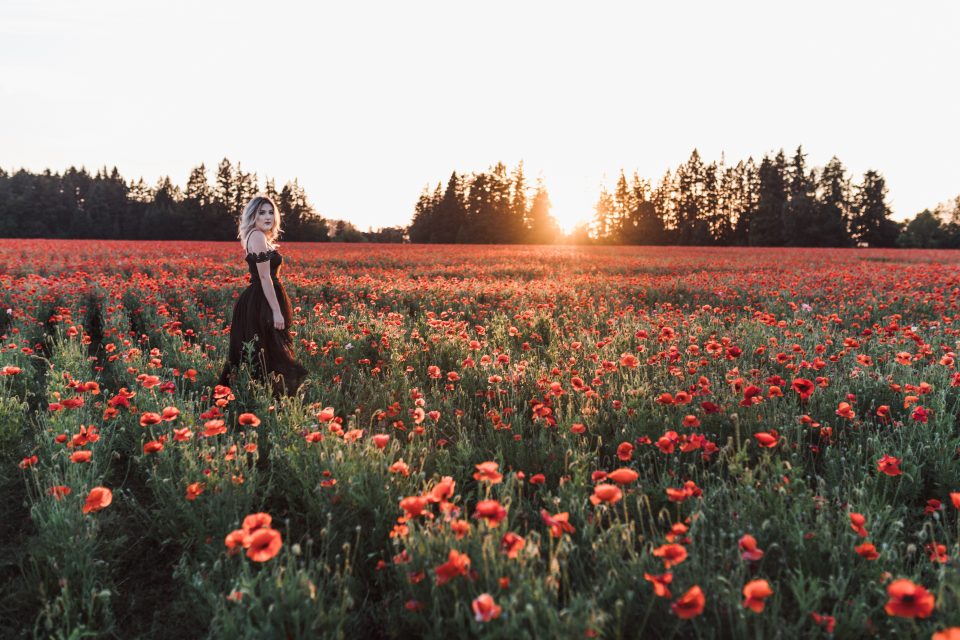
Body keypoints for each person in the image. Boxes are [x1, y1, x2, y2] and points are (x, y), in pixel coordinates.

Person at [218, 195, 308, 398]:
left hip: (262, 298)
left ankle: (265, 397)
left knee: (265, 351)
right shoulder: (257, 236)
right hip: (262, 301)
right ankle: (274, 399)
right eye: (262, 212)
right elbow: (265, 277)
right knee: (269, 352)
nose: (267, 216)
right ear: (253, 215)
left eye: (270, 212)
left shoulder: (259, 236)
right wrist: (276, 311)